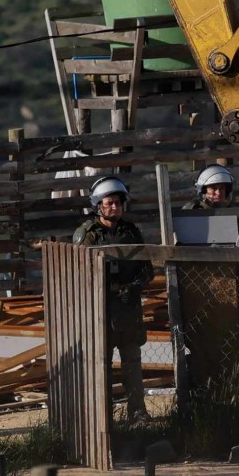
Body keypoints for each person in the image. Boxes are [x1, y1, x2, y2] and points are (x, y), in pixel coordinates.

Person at [73, 177, 153, 422]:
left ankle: (138, 412)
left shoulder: (131, 231)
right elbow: (79, 271)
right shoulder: (88, 234)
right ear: (98, 205)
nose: (114, 207)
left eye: (117, 203)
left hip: (128, 308)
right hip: (101, 309)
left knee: (132, 362)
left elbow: (147, 268)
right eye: (108, 203)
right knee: (101, 365)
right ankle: (103, 415)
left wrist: (136, 286)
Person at [180, 165, 239, 396]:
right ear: (202, 190)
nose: (218, 193)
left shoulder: (236, 216)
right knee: (201, 348)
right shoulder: (190, 214)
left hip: (230, 293)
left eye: (222, 189)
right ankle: (202, 396)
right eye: (213, 189)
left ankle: (233, 396)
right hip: (199, 295)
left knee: (231, 347)